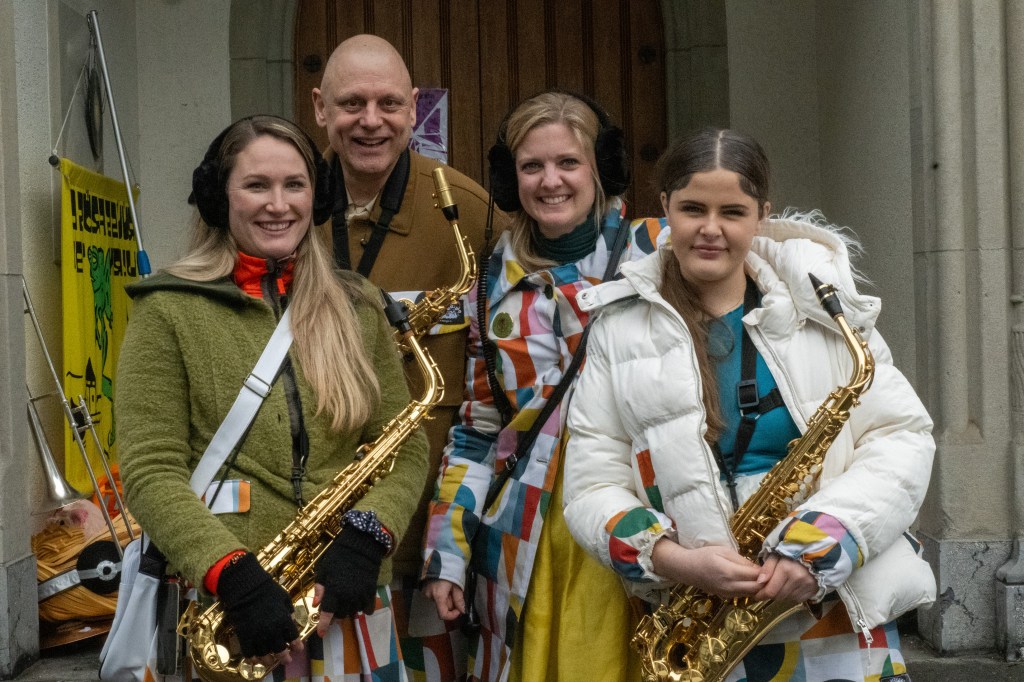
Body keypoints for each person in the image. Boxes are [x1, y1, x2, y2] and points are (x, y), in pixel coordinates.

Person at [562, 128, 937, 681]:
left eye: (732, 212)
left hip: (833, 611)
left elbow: (901, 439)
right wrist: (672, 559)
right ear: (665, 207)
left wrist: (821, 543)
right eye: (692, 209)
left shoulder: (826, 312)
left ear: (763, 215)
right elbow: (591, 485)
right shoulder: (617, 330)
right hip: (698, 626)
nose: (710, 229)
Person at [116, 114, 428, 681]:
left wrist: (371, 534)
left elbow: (404, 446)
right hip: (230, 612)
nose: (278, 205)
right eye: (256, 185)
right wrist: (229, 572)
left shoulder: (358, 306)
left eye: (295, 185)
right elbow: (150, 470)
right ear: (220, 198)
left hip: (343, 602)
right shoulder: (166, 309)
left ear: (317, 196)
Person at [420, 90, 670, 682]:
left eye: (568, 162)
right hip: (527, 545)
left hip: (647, 531)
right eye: (532, 166)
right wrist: (445, 552)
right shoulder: (488, 288)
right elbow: (479, 432)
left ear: (601, 169)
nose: (550, 181)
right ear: (510, 179)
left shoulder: (662, 252)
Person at [311, 37, 505, 678]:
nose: (371, 121)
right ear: (319, 108)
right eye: (351, 103)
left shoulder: (469, 213)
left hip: (427, 540)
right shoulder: (286, 205)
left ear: (415, 107)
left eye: (389, 103)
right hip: (313, 528)